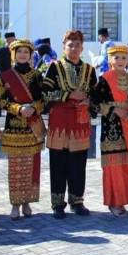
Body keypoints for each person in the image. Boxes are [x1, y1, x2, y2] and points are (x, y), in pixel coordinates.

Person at [42, 30, 97, 219]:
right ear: (64, 47)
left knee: (78, 163)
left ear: (82, 48)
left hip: (80, 121)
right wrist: (68, 95)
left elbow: (96, 95)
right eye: (70, 45)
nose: (74, 48)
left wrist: (89, 101)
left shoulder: (89, 70)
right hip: (59, 121)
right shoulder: (54, 67)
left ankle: (77, 201)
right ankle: (58, 203)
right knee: (58, 163)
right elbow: (44, 94)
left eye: (77, 45)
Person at [0, 39, 46, 221]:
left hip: (32, 127)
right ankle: (15, 204)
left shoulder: (37, 75)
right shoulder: (6, 75)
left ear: (31, 55)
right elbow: (1, 101)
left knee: (31, 167)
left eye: (26, 52)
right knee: (16, 168)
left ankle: (27, 202)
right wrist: (18, 109)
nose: (23, 55)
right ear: (13, 54)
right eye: (19, 52)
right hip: (14, 128)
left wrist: (33, 108)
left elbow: (43, 99)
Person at [94, 43, 128, 217]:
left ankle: (125, 199)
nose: (121, 60)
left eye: (124, 57)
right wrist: (114, 109)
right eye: (116, 57)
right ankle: (114, 201)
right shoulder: (104, 79)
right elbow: (95, 103)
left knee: (127, 165)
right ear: (110, 60)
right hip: (111, 128)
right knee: (113, 166)